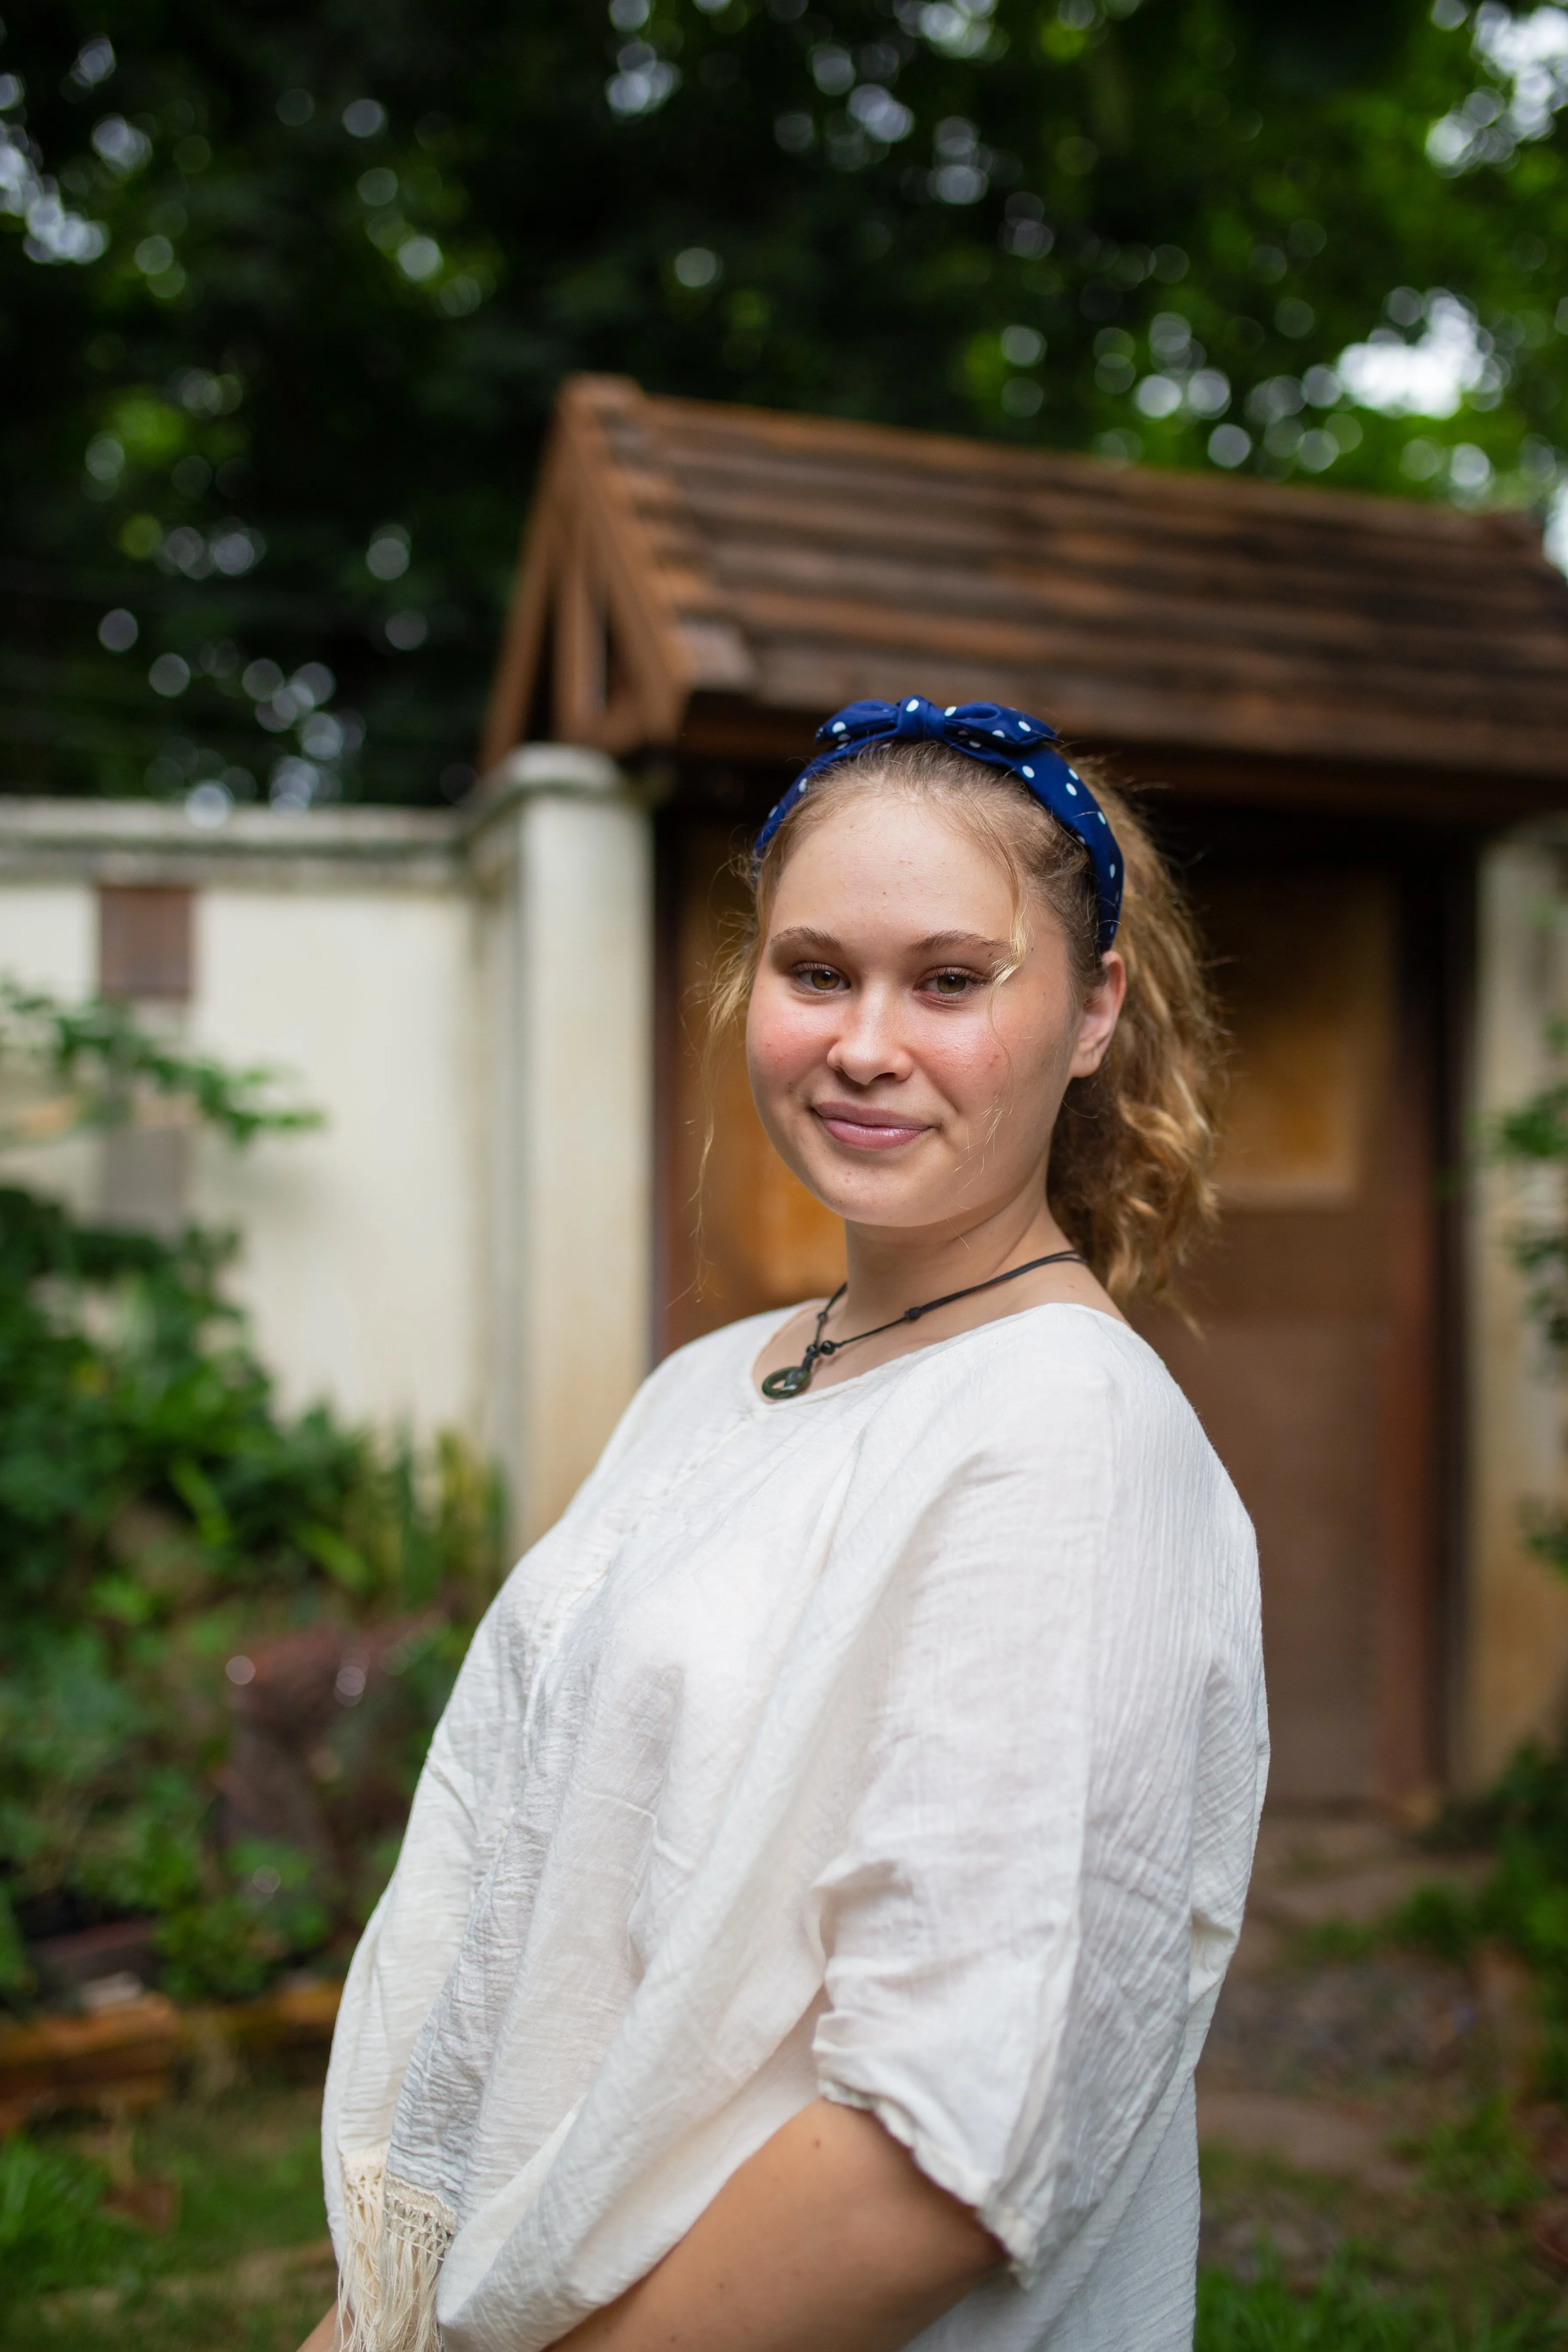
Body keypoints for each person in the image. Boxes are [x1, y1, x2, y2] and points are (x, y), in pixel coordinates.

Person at [300, 695, 1267, 2352]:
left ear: (1094, 1007)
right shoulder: (704, 1389)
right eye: (818, 972)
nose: (867, 1042)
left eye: (952, 981)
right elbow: (534, 1912)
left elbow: (942, 2152)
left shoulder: (1066, 1434)